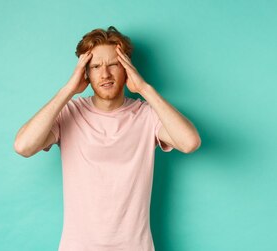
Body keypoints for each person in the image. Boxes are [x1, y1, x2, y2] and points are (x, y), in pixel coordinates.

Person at [13, 26, 201, 251]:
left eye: (113, 64)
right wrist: (69, 90)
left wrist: (143, 88)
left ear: (126, 68)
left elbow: (190, 142)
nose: (105, 74)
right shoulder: (69, 112)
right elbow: (23, 146)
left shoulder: (147, 115)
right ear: (86, 73)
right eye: (95, 67)